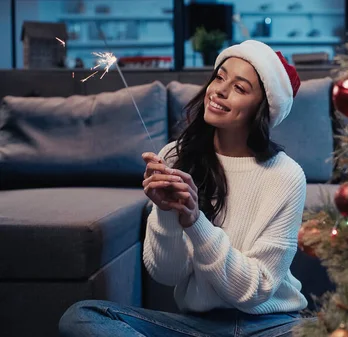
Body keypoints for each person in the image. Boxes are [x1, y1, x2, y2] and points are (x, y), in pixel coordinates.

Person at [58, 40, 310, 337]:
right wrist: (167, 213)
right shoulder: (176, 158)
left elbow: (255, 291)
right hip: (197, 327)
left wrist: (195, 221)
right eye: (220, 77)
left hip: (272, 326)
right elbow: (167, 273)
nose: (219, 90)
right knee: (82, 317)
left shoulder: (286, 175)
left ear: (262, 109)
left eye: (240, 88)